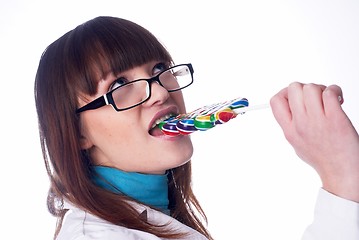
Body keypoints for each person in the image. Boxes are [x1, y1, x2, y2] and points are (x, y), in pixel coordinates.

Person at [34, 16, 359, 240]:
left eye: (159, 68)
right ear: (77, 133)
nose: (161, 91)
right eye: (119, 83)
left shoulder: (154, 214)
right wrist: (343, 180)